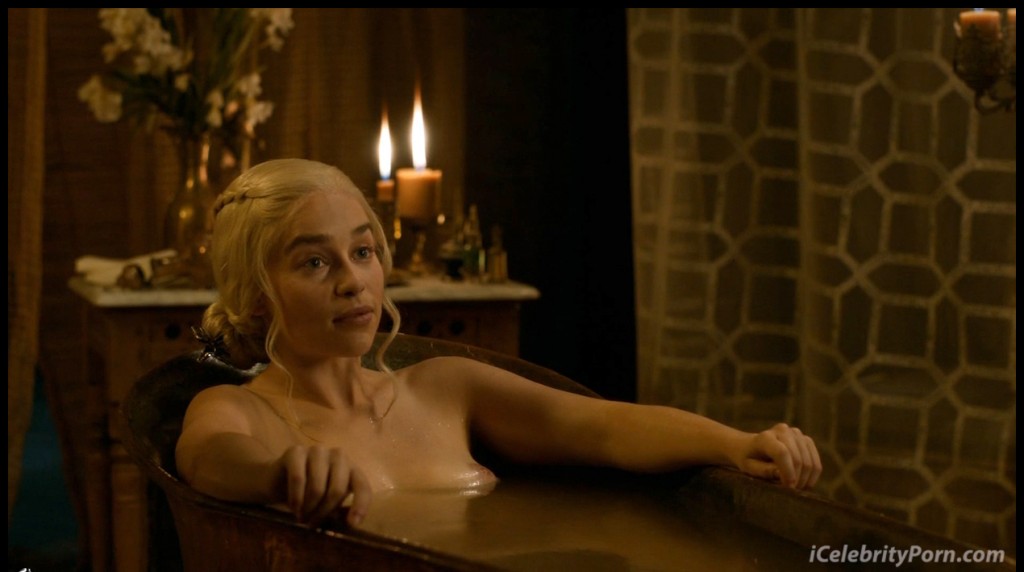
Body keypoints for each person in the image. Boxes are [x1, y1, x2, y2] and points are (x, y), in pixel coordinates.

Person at [176, 158, 822, 530]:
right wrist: (280, 475)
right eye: (315, 262)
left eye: (363, 252)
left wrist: (736, 445)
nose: (353, 281)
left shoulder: (446, 387)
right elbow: (210, 460)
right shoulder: (237, 411)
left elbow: (603, 428)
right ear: (256, 294)